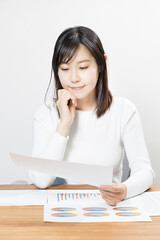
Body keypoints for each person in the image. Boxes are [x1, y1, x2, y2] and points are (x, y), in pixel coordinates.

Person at [29, 26, 155, 206]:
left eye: (83, 67)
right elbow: (41, 180)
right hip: (63, 212)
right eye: (64, 68)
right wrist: (64, 124)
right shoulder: (46, 113)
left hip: (108, 210)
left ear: (101, 64)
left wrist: (124, 190)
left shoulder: (124, 111)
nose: (74, 78)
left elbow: (145, 171)